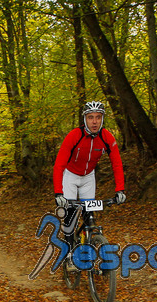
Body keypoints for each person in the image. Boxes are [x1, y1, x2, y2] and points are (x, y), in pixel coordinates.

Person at [53, 101, 126, 269]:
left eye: (98, 117)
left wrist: (120, 190)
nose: (94, 121)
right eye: (91, 117)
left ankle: (89, 244)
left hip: (88, 177)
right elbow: (59, 165)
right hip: (70, 176)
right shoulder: (74, 135)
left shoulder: (107, 137)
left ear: (102, 119)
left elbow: (117, 164)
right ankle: (70, 254)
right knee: (70, 216)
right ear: (85, 119)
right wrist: (59, 193)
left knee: (89, 214)